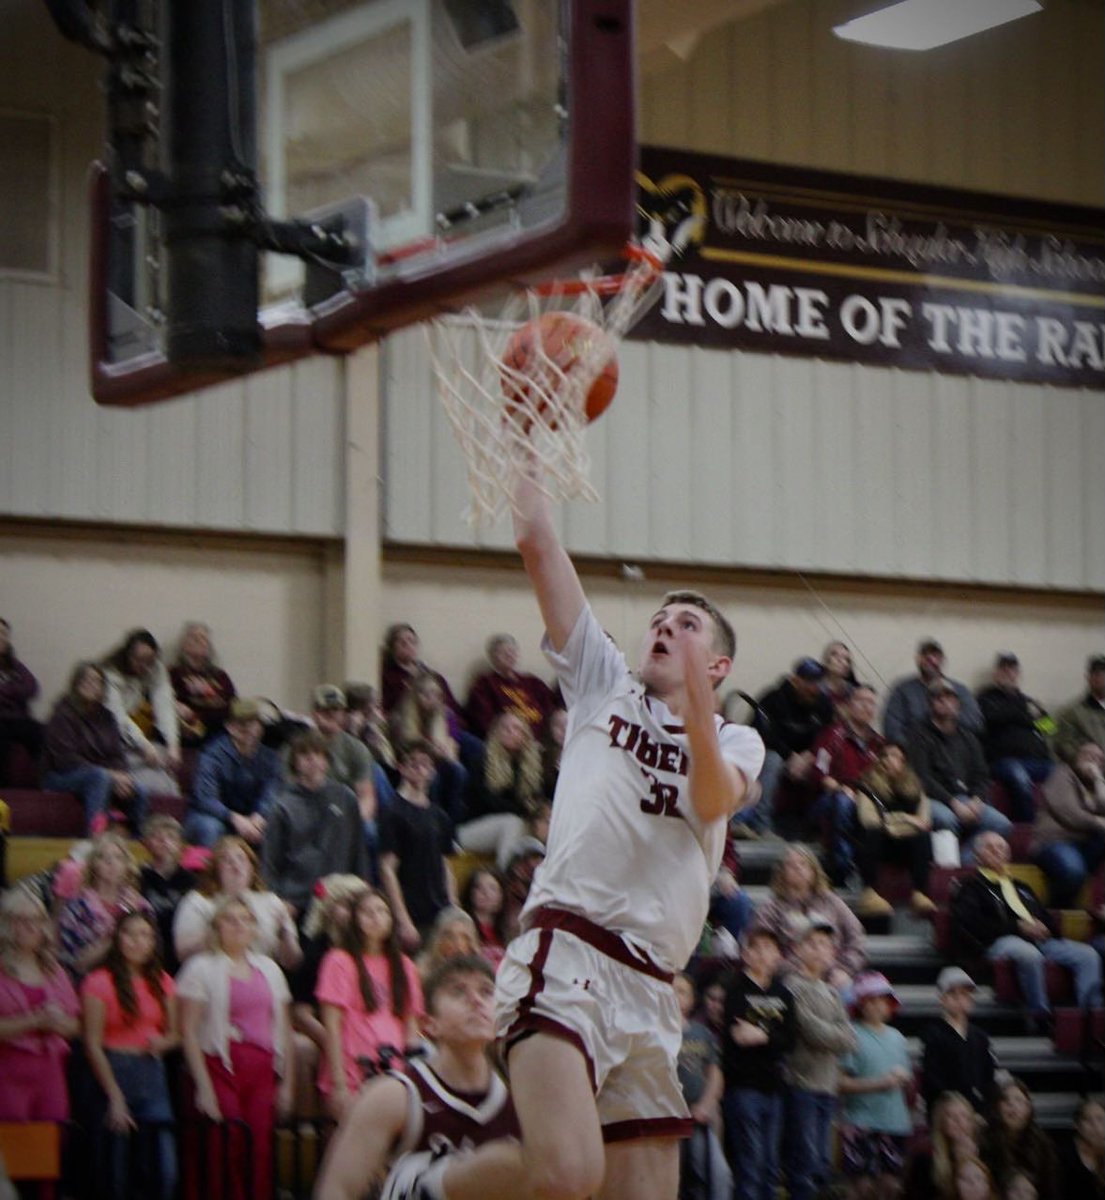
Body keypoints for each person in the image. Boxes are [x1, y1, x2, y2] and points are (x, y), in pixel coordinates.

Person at [384, 464, 764, 1200]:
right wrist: (530, 439)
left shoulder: (733, 740)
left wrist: (693, 709)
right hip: (569, 949)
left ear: (716, 664)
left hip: (653, 986)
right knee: (567, 1174)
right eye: (659, 618)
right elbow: (534, 541)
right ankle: (427, 1186)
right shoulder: (603, 681)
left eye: (686, 626)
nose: (664, 627)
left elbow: (713, 797)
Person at [314, 954, 518, 1200]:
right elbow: (336, 1191)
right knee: (506, 1161)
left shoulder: (518, 1100)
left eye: (486, 992)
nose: (476, 1000)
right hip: (416, 1186)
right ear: (430, 1024)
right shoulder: (394, 1094)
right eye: (458, 992)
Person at [177, 895, 294, 1200]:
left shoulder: (269, 969)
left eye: (245, 920)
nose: (239, 926)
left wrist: (287, 1083)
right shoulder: (200, 968)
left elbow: (283, 1027)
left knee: (259, 1146)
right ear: (216, 927)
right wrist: (202, 1086)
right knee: (223, 1143)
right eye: (230, 920)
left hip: (262, 1067)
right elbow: (188, 1030)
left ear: (256, 928)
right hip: (219, 1065)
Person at [951, 831, 1103, 1028]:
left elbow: (1045, 917)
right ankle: (1039, 1016)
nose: (998, 852)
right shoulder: (970, 886)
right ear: (977, 855)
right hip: (1001, 940)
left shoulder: (1021, 886)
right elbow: (971, 923)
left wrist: (1045, 927)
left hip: (1040, 940)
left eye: (1002, 848)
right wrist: (1017, 927)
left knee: (1088, 955)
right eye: (991, 848)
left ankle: (1091, 1019)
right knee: (1028, 954)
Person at [81, 911, 179, 1200]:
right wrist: (115, 1096)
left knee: (164, 1169)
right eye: (129, 934)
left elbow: (177, 1033)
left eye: (144, 935)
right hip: (112, 1070)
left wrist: (163, 1042)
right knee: (115, 1173)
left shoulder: (163, 981)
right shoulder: (99, 981)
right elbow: (92, 1042)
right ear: (118, 939)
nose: (137, 941)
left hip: (151, 1072)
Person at [316, 887, 424, 1121]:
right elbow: (332, 1026)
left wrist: (412, 1078)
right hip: (351, 1070)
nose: (375, 918)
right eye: (367, 912)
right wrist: (339, 1084)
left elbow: (411, 1028)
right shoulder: (339, 960)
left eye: (381, 911)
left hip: (392, 1071)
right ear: (354, 919)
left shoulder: (405, 965)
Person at [781, 914, 856, 1200]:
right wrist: (835, 1035)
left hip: (827, 1086)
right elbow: (811, 1030)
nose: (818, 949)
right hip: (802, 1085)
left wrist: (835, 1036)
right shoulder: (792, 987)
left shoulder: (832, 992)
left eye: (824, 944)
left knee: (823, 1164)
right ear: (797, 949)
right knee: (804, 1164)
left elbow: (849, 1037)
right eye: (811, 943)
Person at [260, 729, 369, 921]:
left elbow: (358, 850)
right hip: (295, 899)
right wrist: (276, 900)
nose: (313, 760)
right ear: (295, 762)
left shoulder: (345, 797)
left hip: (339, 897)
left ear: (327, 760)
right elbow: (271, 861)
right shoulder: (283, 805)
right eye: (305, 755)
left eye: (318, 754)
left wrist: (362, 890)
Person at [720, 926, 795, 1200]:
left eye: (770, 948)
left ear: (779, 955)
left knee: (770, 1167)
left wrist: (761, 1034)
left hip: (774, 1088)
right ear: (746, 954)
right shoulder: (735, 989)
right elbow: (739, 1035)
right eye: (757, 948)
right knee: (749, 1165)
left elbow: (790, 1038)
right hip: (743, 1087)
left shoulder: (783, 993)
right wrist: (772, 1035)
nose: (764, 954)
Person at [42, 661, 151, 835]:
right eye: (85, 679)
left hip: (101, 775)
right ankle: (95, 840)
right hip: (61, 776)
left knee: (140, 790)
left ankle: (136, 844)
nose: (90, 684)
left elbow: (117, 755)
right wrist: (110, 775)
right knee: (99, 778)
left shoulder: (107, 717)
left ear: (103, 688)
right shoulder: (62, 714)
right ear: (76, 684)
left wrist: (122, 778)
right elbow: (66, 760)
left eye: (96, 681)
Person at [0, 886, 80, 1121]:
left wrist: (58, 1023)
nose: (30, 927)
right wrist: (35, 1021)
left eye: (36, 920)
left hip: (50, 1070)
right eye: (21, 920)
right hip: (7, 1070)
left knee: (50, 1140)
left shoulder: (55, 971)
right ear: (6, 923)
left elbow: (75, 1025)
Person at [907, 679, 1012, 856]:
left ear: (957, 702)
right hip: (931, 799)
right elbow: (922, 778)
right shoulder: (918, 735)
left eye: (950, 697)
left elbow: (981, 775)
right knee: (947, 819)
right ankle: (950, 871)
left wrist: (977, 800)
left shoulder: (968, 737)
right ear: (930, 703)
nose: (945, 702)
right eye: (938, 698)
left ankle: (965, 863)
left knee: (1002, 824)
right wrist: (954, 803)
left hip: (965, 798)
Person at [837, 971, 914, 1200]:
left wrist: (903, 1080)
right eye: (870, 1000)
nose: (877, 1006)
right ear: (860, 1004)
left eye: (882, 1000)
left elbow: (906, 1080)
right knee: (860, 1187)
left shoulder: (898, 1038)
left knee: (890, 1186)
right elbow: (840, 1083)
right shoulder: (851, 1035)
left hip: (895, 1123)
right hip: (859, 1123)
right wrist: (879, 1083)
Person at [173, 835, 301, 969]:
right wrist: (216, 933)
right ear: (216, 869)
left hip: (259, 975)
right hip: (212, 973)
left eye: (241, 858)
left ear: (252, 867)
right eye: (226, 860)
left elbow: (292, 962)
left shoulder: (271, 901)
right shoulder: (198, 901)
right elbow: (183, 954)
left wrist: (286, 933)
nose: (235, 865)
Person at [750, 844, 867, 988]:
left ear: (814, 870)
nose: (798, 868)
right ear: (782, 872)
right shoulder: (771, 909)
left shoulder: (832, 902)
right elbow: (762, 947)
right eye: (791, 865)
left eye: (803, 864)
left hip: (833, 974)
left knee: (848, 991)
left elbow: (856, 938)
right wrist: (795, 971)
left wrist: (844, 969)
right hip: (790, 978)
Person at [378, 739, 457, 952]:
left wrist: (454, 908)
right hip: (412, 911)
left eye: (426, 764)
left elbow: (446, 866)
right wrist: (402, 919)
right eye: (413, 763)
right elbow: (387, 868)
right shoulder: (392, 811)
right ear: (402, 767)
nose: (420, 769)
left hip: (439, 910)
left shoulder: (440, 815)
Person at [748, 656, 834, 838]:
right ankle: (761, 825)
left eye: (818, 682)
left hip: (809, 757)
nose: (815, 688)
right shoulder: (773, 698)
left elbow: (829, 736)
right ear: (795, 681)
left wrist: (810, 755)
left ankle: (815, 830)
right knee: (773, 761)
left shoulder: (824, 704)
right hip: (776, 754)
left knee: (826, 764)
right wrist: (790, 756)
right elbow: (761, 734)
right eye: (810, 682)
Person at [810, 683, 885, 883]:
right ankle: (841, 864)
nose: (866, 706)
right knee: (844, 801)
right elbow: (819, 773)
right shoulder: (832, 735)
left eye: (871, 703)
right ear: (849, 705)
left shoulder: (879, 743)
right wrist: (842, 789)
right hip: (829, 800)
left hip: (865, 800)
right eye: (861, 701)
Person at [187, 696, 284, 848]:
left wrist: (258, 818)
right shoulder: (212, 754)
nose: (248, 729)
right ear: (229, 726)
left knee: (278, 827)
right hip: (214, 816)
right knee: (210, 827)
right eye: (241, 723)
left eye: (253, 723)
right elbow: (206, 798)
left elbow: (272, 792)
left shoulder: (270, 758)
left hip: (252, 817)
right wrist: (235, 819)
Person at [853, 741, 936, 916]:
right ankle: (869, 893)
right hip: (880, 844)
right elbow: (870, 820)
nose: (892, 760)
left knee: (924, 837)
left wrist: (893, 825)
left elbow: (924, 821)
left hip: (904, 844)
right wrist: (906, 818)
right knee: (871, 835)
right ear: (880, 759)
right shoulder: (867, 785)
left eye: (898, 756)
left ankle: (919, 894)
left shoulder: (916, 787)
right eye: (888, 755)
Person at [57, 832, 152, 979]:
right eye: (103, 857)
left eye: (118, 858)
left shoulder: (142, 907)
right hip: (89, 983)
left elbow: (151, 956)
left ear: (127, 865)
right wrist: (120, 926)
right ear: (94, 864)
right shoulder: (78, 908)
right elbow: (76, 964)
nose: (111, 863)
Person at [458, 711, 546, 869]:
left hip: (513, 827)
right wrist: (523, 808)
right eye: (505, 728)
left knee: (539, 828)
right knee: (512, 823)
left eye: (516, 728)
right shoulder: (482, 760)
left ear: (525, 735)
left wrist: (531, 809)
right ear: (496, 732)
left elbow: (535, 801)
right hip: (472, 828)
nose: (510, 732)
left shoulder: (529, 768)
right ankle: (504, 880)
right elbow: (489, 803)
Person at [101, 628, 181, 795]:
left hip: (139, 740)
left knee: (168, 777)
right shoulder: (109, 673)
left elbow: (164, 704)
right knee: (156, 782)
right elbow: (118, 718)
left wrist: (173, 744)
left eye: (149, 661)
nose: (144, 667)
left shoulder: (155, 668)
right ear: (128, 655)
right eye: (139, 660)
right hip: (113, 739)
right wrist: (144, 745)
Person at [673, 973, 732, 1200]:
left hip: (698, 1118)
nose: (675, 996)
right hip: (669, 1118)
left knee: (705, 1175)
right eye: (671, 989)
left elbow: (715, 1074)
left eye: (682, 991)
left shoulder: (702, 1033)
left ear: (691, 1000)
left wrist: (706, 1105)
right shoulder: (653, 1031)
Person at [977, 653, 1054, 822]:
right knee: (1019, 776)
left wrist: (1039, 714)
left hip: (1035, 761)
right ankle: (1026, 827)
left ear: (1018, 674)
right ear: (995, 674)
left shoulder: (1029, 701)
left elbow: (1049, 728)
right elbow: (993, 718)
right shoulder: (985, 698)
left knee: (1062, 773)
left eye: (1012, 670)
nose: (1009, 674)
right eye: (1004, 670)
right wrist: (1027, 715)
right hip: (1003, 762)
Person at [1030, 742, 1105, 908]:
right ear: (1077, 758)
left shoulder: (1097, 786)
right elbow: (1068, 812)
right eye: (1087, 756)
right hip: (1054, 842)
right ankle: (1054, 910)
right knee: (1073, 871)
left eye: (1098, 759)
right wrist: (1097, 821)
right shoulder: (1062, 773)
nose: (1092, 762)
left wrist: (1099, 779)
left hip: (1085, 846)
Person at [919, 967, 998, 1117]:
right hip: (946, 1114)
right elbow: (933, 1081)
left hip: (977, 1113)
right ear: (942, 999)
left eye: (965, 994)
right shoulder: (933, 1034)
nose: (960, 999)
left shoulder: (980, 1037)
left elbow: (989, 1076)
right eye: (953, 994)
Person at [884, 638, 984, 746]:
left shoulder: (960, 690)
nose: (930, 659)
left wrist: (952, 714)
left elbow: (976, 723)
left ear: (943, 660)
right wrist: (912, 749)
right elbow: (892, 729)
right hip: (914, 752)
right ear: (917, 659)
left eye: (935, 655)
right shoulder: (902, 690)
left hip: (954, 752)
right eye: (925, 655)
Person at [465, 632, 557, 739]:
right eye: (502, 652)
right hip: (510, 741)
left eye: (512, 651)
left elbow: (552, 708)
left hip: (542, 740)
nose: (509, 655)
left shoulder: (533, 682)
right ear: (492, 657)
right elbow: (483, 720)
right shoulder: (484, 684)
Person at [981, 1077, 1060, 1200]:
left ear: (1028, 1108)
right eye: (1006, 1101)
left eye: (1018, 1100)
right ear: (998, 1107)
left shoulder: (1042, 1143)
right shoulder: (985, 1139)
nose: (1012, 1106)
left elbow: (1049, 1186)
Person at [138, 813, 196, 974]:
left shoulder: (192, 881)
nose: (165, 842)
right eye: (157, 837)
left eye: (171, 837)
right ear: (146, 844)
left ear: (180, 844)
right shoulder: (137, 878)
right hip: (147, 949)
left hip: (181, 953)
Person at [903, 1091, 986, 1200]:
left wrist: (970, 1160)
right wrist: (959, 1164)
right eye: (952, 1117)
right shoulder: (925, 1157)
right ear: (941, 1123)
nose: (960, 1122)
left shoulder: (983, 1150)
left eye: (965, 1117)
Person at [169, 621, 237, 747]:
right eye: (194, 637)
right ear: (184, 645)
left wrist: (207, 692)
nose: (199, 641)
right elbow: (158, 700)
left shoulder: (220, 675)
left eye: (203, 638)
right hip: (187, 733)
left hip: (219, 732)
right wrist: (175, 705)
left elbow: (233, 705)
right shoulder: (174, 673)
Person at [380, 623, 464, 720]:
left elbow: (453, 707)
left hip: (444, 724)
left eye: (412, 641)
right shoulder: (388, 677)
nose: (409, 645)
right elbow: (389, 710)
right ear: (392, 648)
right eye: (403, 643)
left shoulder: (433, 676)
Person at [0, 617, 41, 785]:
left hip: (17, 719)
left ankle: (42, 784)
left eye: (3, 634)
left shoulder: (15, 665)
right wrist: (14, 692)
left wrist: (5, 692)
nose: (1, 637)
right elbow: (20, 689)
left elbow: (32, 687)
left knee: (42, 732)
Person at [1055, 655, 1105, 765]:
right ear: (1089, 678)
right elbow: (1061, 743)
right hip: (1093, 767)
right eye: (1098, 674)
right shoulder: (1073, 712)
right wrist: (1081, 753)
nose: (1101, 678)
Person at [461, 866, 509, 971]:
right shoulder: (462, 927)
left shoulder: (507, 932)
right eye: (478, 887)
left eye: (492, 888)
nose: (485, 893)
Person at [417, 906, 481, 980]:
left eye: (464, 938)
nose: (458, 945)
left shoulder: (479, 975)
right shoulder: (420, 973)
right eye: (449, 937)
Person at [1060, 1095, 1104, 1198]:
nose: (1096, 1127)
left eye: (1100, 1119)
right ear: (1077, 1126)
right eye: (1088, 1120)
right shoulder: (1064, 1155)